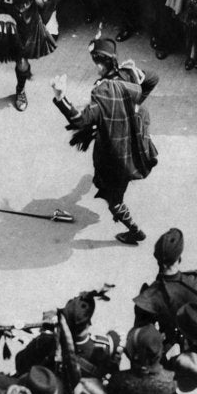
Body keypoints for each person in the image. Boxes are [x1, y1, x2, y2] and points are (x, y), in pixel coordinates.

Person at [50, 37, 158, 244]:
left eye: (98, 61)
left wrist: (60, 97)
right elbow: (153, 79)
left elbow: (80, 120)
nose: (97, 66)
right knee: (119, 187)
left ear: (105, 62)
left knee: (114, 200)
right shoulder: (128, 78)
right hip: (136, 148)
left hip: (114, 158)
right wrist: (138, 76)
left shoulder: (102, 93)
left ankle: (134, 230)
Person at [132, 227, 197, 348]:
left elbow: (140, 337)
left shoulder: (149, 295)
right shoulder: (195, 280)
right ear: (179, 258)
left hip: (170, 346)